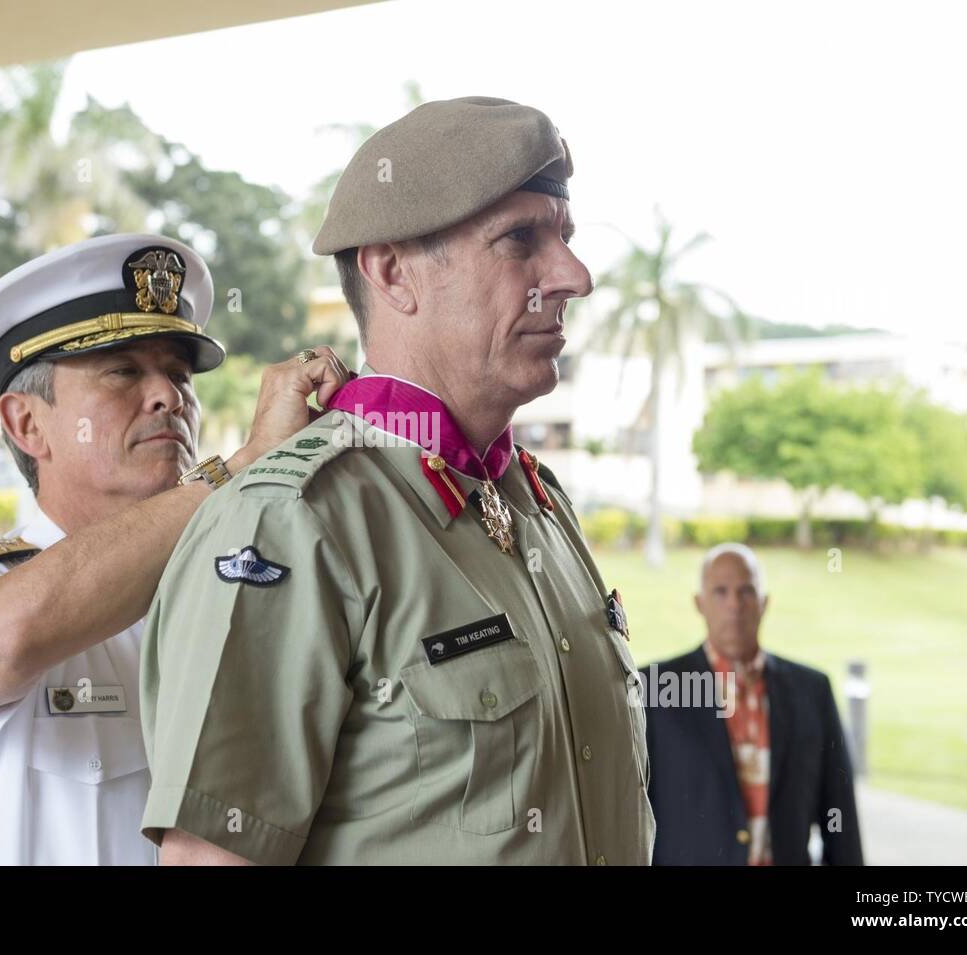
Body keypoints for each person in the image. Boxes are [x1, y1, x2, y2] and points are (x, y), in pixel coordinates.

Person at [139, 98, 654, 865]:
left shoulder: (539, 505)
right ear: (392, 271)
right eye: (521, 239)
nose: (573, 276)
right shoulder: (288, 522)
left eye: (566, 238)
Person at [0, 232, 349, 864]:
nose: (168, 396)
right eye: (124, 372)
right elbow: (7, 642)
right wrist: (239, 469)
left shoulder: (226, 582)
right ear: (26, 423)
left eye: (179, 375)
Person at [644, 542, 864, 865]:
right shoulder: (654, 689)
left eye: (746, 591)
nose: (734, 604)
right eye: (720, 591)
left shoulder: (812, 690)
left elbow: (842, 820)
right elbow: (629, 814)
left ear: (764, 602)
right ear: (699, 603)